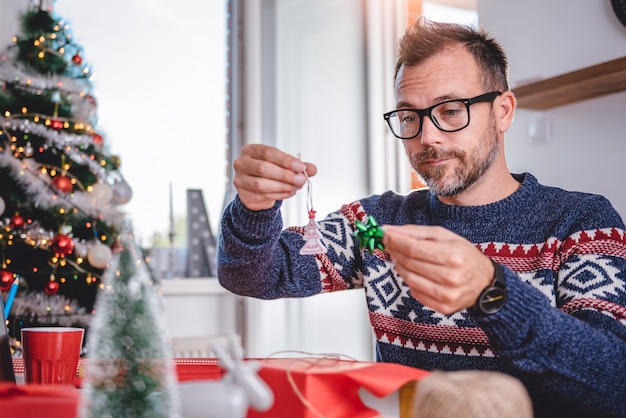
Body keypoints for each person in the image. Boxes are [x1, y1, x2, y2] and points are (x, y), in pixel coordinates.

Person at [218, 17, 626, 418]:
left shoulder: (581, 223)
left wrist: (491, 292)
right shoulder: (375, 225)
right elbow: (251, 274)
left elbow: (613, 385)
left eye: (450, 110)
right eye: (410, 117)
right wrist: (254, 206)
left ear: (503, 111)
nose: (427, 136)